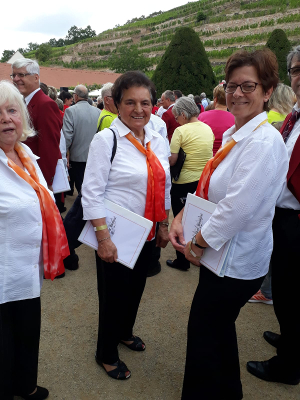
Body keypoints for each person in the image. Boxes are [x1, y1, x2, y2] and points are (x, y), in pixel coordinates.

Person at [169, 49, 289, 399]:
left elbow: (237, 208)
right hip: (220, 257)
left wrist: (196, 244)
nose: (237, 93)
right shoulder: (240, 136)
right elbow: (213, 187)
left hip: (233, 262)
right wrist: (181, 217)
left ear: (267, 90)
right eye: (231, 85)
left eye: (247, 85)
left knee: (205, 334)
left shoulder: (263, 142)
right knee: (217, 331)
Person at [81, 71, 171, 380]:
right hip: (117, 233)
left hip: (145, 231)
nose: (139, 110)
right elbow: (91, 193)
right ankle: (105, 352)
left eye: (145, 102)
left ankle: (124, 331)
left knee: (136, 288)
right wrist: (103, 238)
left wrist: (163, 224)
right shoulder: (107, 140)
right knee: (113, 295)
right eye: (130, 102)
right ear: (116, 104)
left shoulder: (157, 137)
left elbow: (164, 183)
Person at [0, 80, 69, 400]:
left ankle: (25, 387)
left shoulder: (25, 153)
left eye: (11, 110)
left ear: (22, 118)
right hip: (2, 277)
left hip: (27, 270)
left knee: (27, 334)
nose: (5, 118)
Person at [247, 45, 300, 386]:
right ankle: (290, 338)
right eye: (296, 70)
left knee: (292, 294)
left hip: (295, 220)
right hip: (283, 217)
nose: (299, 76)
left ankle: (288, 367)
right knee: (284, 289)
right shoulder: (294, 114)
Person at [167, 97, 214, 271]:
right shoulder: (207, 128)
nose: (176, 121)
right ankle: (197, 251)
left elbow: (172, 160)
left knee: (181, 221)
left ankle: (182, 260)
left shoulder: (181, 131)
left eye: (176, 117)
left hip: (183, 181)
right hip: (202, 181)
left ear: (183, 114)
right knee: (198, 219)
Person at [11, 58, 62, 190]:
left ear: (36, 78)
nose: (16, 79)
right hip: (26, 173)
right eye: (14, 75)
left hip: (37, 178)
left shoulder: (45, 104)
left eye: (21, 75)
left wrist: (44, 182)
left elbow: (49, 148)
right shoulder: (24, 101)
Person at [63, 84, 100, 193]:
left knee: (81, 190)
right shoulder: (97, 112)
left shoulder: (70, 111)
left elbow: (67, 136)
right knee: (90, 189)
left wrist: (64, 154)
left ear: (76, 96)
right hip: (93, 157)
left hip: (77, 158)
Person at [198, 85, 235, 155]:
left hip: (205, 157)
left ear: (215, 100)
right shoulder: (235, 119)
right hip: (226, 157)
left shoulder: (202, 116)